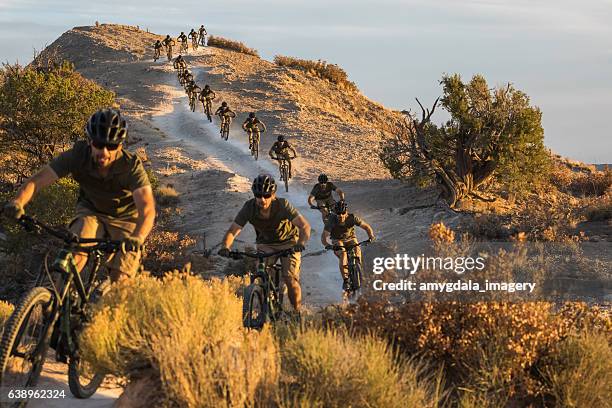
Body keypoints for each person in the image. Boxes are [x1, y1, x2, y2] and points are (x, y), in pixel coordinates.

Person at [2, 109, 156, 283]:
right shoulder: (77, 155)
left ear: (120, 145)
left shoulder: (130, 167)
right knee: (75, 255)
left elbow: (147, 208)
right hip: (91, 212)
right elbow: (37, 180)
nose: (104, 152)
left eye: (111, 146)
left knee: (120, 278)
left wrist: (139, 236)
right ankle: (56, 303)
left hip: (126, 218)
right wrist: (18, 202)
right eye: (98, 144)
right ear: (90, 141)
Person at [218, 174, 310, 312]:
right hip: (265, 244)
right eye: (258, 195)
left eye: (266, 195)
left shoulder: (283, 205)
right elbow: (233, 230)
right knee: (261, 276)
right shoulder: (249, 208)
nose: (262, 199)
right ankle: (264, 310)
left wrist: (300, 243)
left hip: (289, 243)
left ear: (273, 195)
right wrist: (225, 246)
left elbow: (304, 226)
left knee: (290, 278)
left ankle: (296, 312)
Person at [321, 201, 375, 292]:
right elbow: (323, 237)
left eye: (343, 213)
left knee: (357, 249)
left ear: (346, 212)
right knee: (343, 254)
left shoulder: (352, 218)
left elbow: (366, 227)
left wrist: (371, 236)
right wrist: (328, 245)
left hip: (350, 238)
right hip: (337, 240)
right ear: (335, 213)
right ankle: (346, 280)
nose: (341, 216)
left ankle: (359, 270)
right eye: (338, 214)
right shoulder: (331, 220)